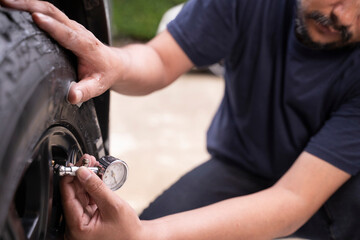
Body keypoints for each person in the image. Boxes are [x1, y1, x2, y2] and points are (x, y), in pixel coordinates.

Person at [1, 0, 360, 239]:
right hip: (245, 165)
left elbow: (294, 199)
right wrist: (113, 61)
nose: (343, 18)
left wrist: (147, 235)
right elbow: (160, 59)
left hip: (335, 193)